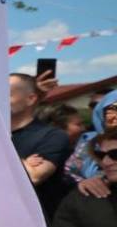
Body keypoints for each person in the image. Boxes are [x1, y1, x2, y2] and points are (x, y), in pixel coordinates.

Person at [9, 72, 71, 219]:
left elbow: (34, 176)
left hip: (41, 223)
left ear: (31, 99)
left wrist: (5, 157)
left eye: (7, 94)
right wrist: (23, 163)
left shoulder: (52, 136)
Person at [64, 89, 117, 196]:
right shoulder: (90, 142)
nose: (107, 161)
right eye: (101, 155)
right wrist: (84, 184)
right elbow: (70, 174)